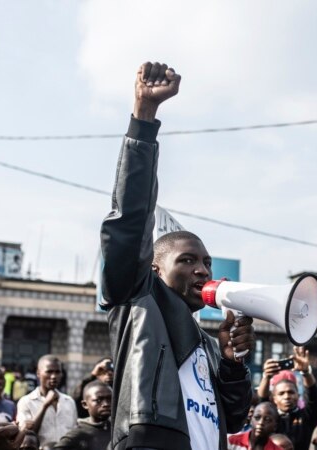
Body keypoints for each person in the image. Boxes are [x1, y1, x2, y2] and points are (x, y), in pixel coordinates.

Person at [100, 61, 255, 450]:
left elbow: (234, 418)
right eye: (187, 260)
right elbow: (129, 220)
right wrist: (144, 119)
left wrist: (233, 363)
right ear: (153, 268)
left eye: (206, 262)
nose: (202, 269)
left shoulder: (205, 343)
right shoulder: (138, 301)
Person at [258, 347, 317, 450]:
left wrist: (306, 372)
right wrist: (266, 377)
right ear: (273, 398)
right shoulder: (269, 419)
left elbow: (313, 397)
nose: (287, 396)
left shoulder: (307, 416)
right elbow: (261, 402)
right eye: (281, 393)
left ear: (298, 394)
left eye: (291, 392)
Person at [16, 354, 77, 448]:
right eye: (49, 372)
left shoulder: (69, 402)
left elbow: (73, 435)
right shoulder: (26, 402)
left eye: (57, 372)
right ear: (38, 373)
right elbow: (26, 435)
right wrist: (45, 405)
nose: (53, 376)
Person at [53, 380, 112, 450]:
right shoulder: (78, 434)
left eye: (110, 399)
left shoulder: (118, 429)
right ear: (85, 404)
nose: (106, 404)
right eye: (98, 400)